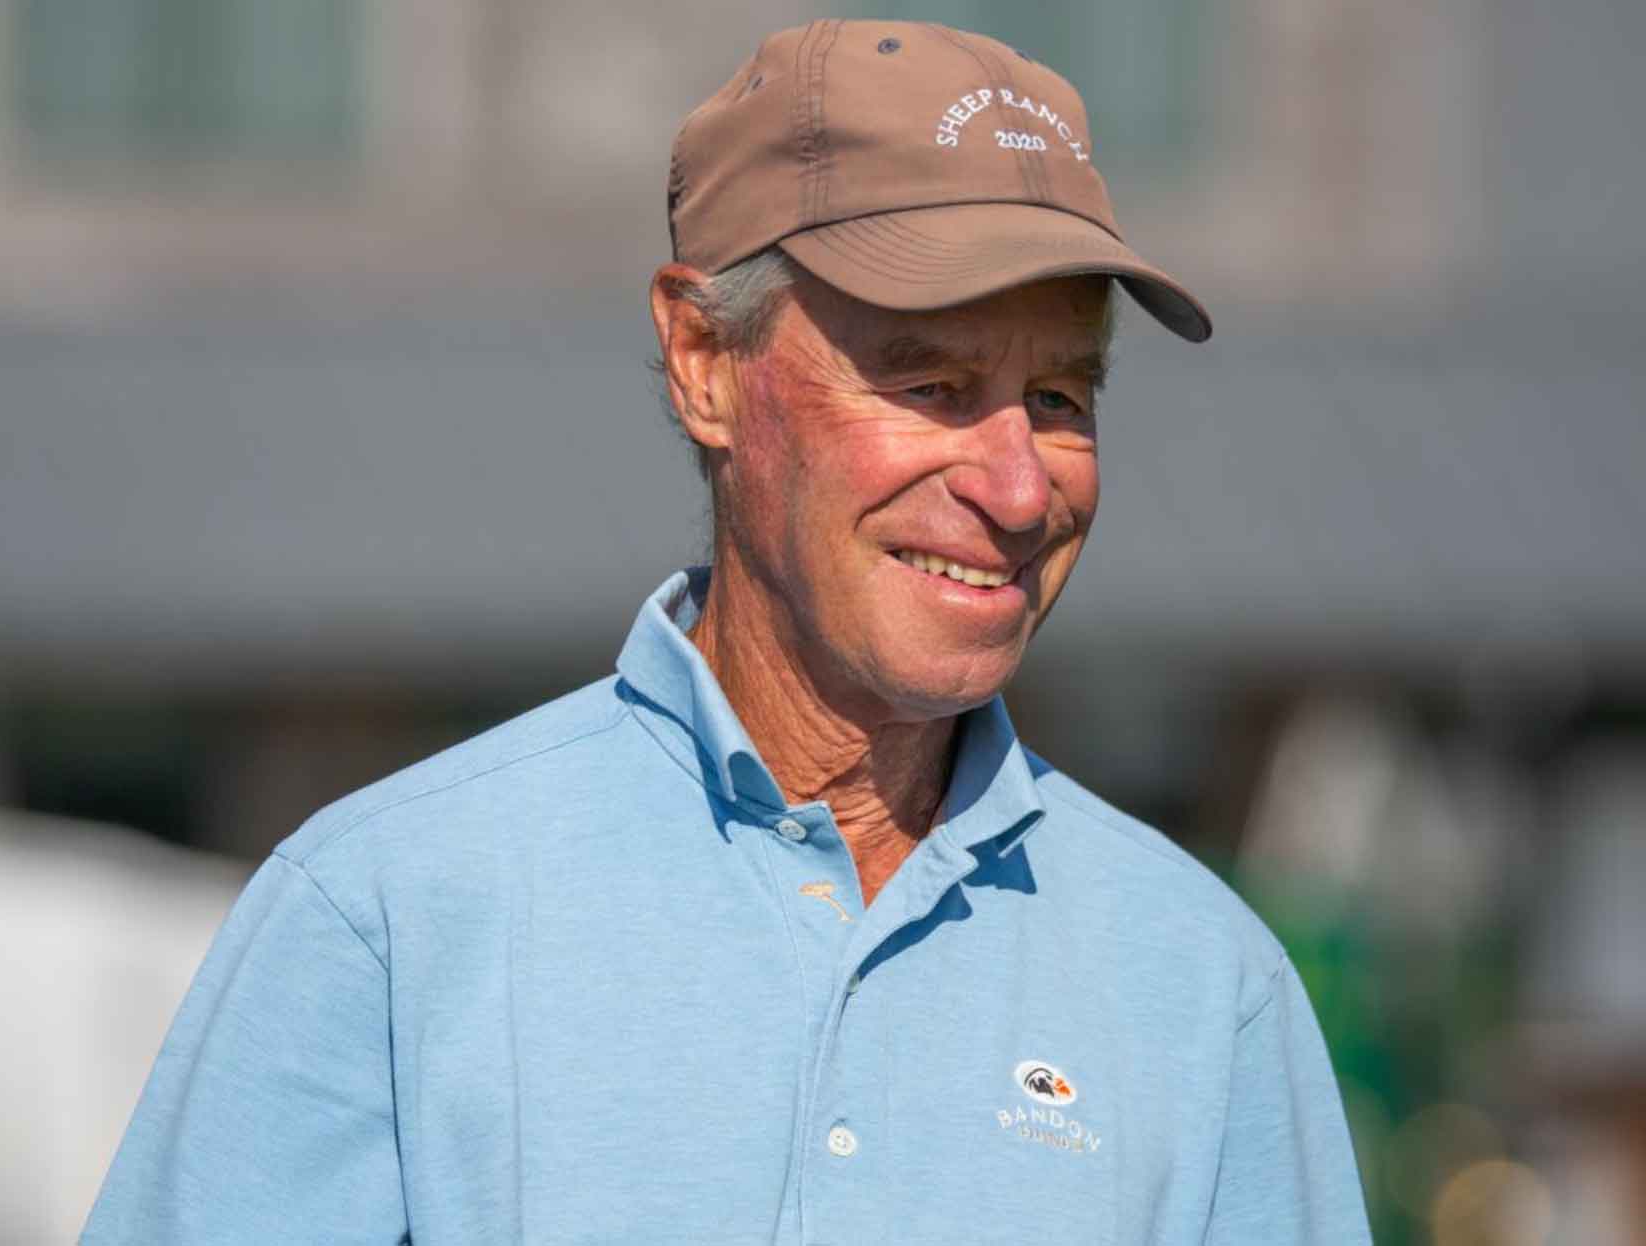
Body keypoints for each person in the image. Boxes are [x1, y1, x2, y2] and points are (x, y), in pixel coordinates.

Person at [83, 20, 1369, 1245]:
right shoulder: (387, 917)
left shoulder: (1206, 988)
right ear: (704, 358)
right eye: (929, 383)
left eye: (1056, 395)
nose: (1020, 487)